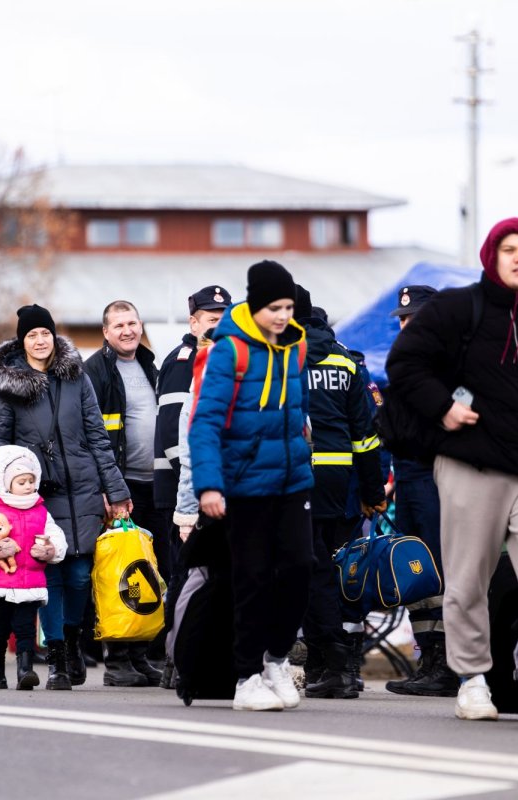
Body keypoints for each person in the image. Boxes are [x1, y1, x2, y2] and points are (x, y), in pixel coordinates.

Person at [385, 218, 518, 722]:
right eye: (509, 248)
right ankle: (473, 681)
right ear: (492, 257)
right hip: (472, 463)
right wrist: (443, 406)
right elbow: (404, 363)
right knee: (467, 580)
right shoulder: (454, 309)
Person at [0, 305, 131, 690]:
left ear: (53, 335)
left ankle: (75, 642)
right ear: (22, 342)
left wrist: (115, 490)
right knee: (51, 576)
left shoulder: (75, 376)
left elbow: (98, 436)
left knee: (80, 576)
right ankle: (59, 658)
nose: (40, 340)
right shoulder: (10, 386)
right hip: (38, 496)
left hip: (81, 489)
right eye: (32, 335)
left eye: (44, 333)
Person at [189, 259, 314, 712]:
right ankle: (245, 677)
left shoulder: (296, 348)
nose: (283, 316)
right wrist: (209, 486)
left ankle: (276, 660)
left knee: (300, 568)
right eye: (275, 307)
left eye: (288, 307)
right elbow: (204, 422)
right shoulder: (229, 351)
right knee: (253, 578)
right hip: (243, 485)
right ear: (256, 304)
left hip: (293, 480)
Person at [294, 283, 386, 700]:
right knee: (342, 568)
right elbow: (366, 434)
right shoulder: (345, 360)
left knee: (311, 573)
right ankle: (340, 663)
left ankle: (328, 664)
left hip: (296, 478)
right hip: (342, 482)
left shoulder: (282, 357)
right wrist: (372, 489)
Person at [382, 284, 460, 698]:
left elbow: (462, 416)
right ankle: (428, 657)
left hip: (437, 477)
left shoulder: (455, 367)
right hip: (407, 478)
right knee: (414, 573)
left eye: (414, 318)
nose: (406, 325)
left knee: (440, 568)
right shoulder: (403, 365)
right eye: (403, 319)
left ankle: (449, 663)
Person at [154, 284, 231, 687]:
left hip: (210, 490)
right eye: (212, 319)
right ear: (195, 321)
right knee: (185, 577)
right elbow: (176, 436)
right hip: (184, 490)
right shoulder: (185, 361)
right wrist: (191, 500)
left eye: (225, 318)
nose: (219, 326)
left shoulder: (224, 359)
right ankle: (176, 660)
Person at [84, 299, 163, 687]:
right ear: (105, 332)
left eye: (132, 322)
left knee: (148, 572)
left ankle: (141, 655)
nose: (127, 330)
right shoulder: (94, 371)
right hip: (119, 488)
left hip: (155, 485)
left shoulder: (151, 365)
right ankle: (117, 661)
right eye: (118, 326)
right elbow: (90, 435)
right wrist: (104, 488)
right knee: (121, 573)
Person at [0, 445, 67, 690]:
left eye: (31, 481)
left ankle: (25, 670)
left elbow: (57, 537)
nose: (29, 486)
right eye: (22, 482)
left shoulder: (41, 512)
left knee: (25, 629)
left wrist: (51, 550)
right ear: (6, 483)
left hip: (30, 584)